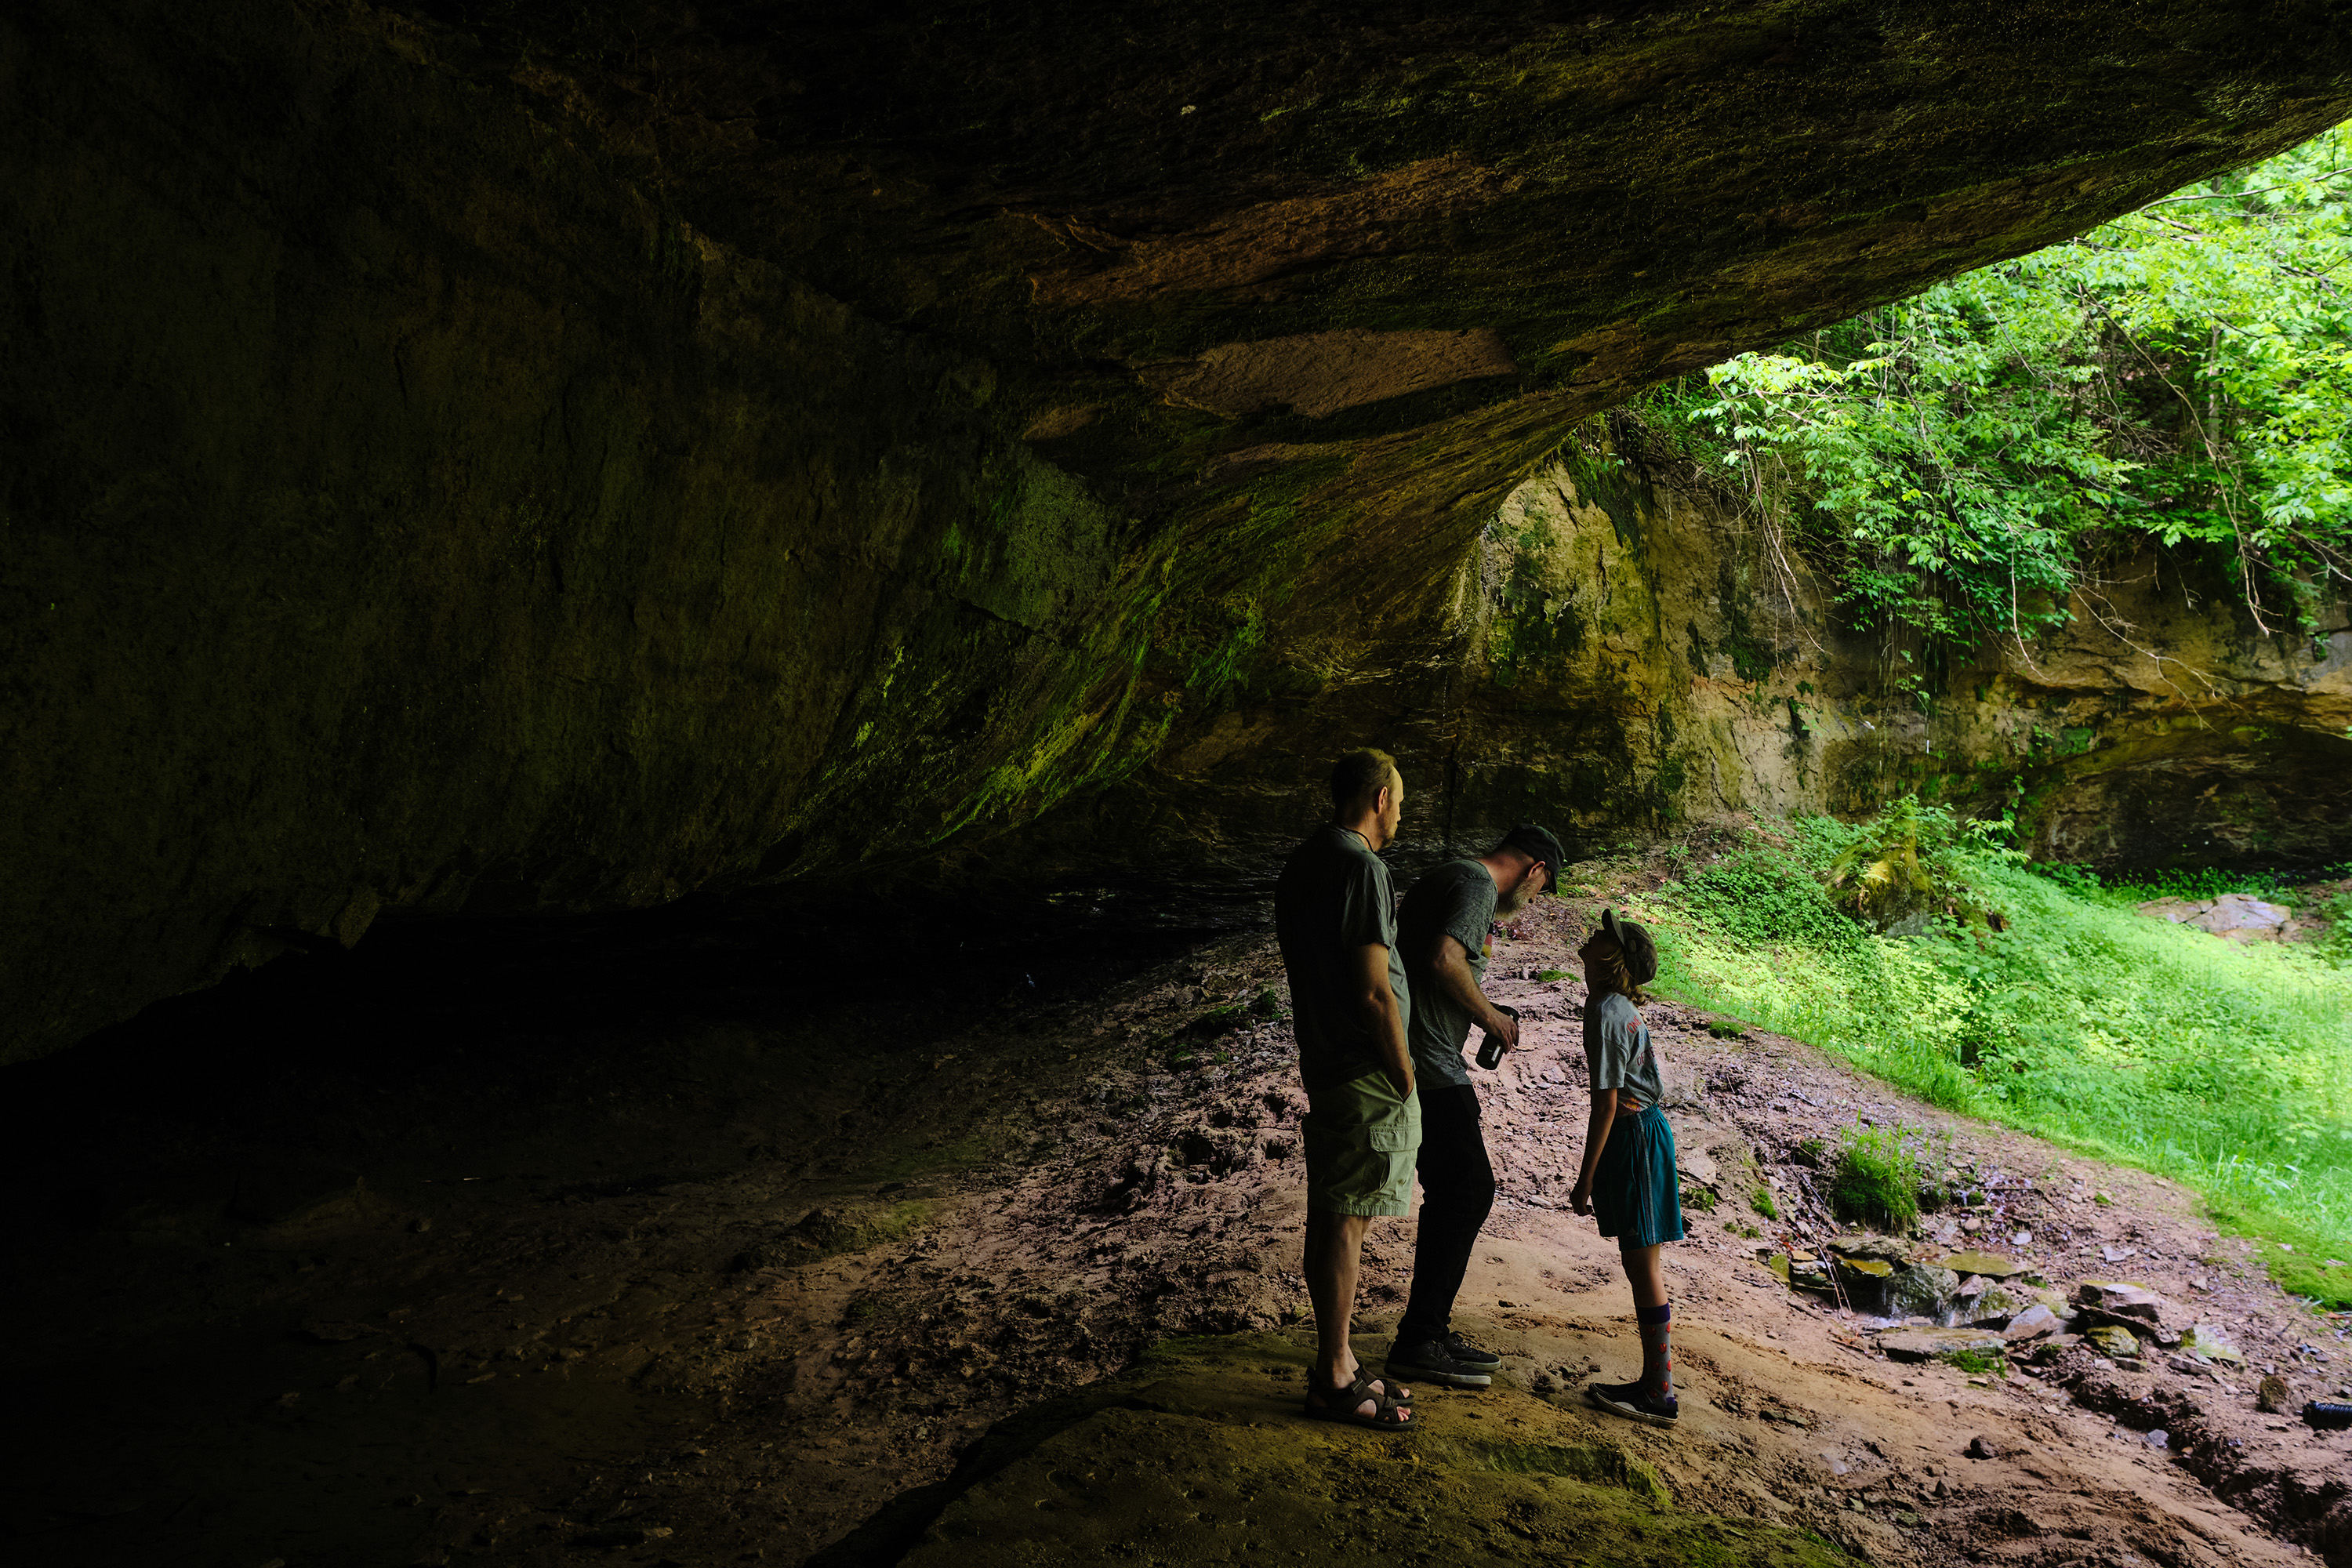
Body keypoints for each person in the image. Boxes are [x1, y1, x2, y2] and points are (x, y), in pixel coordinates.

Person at [1385, 822, 1566, 1390]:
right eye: (1541, 888)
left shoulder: (1453, 876)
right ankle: (1420, 1339)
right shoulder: (1476, 885)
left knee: (1456, 1188)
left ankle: (1428, 1331)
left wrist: (1483, 1004)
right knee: (1467, 1190)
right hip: (1430, 1063)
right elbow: (1443, 960)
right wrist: (1490, 1017)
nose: (1533, 899)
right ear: (1534, 869)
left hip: (1418, 1054)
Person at [1273, 749, 1419, 1430]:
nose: (1402, 814)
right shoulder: (1362, 867)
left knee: (1338, 1207)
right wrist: (1403, 1068)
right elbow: (1370, 989)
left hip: (1325, 1059)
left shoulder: (1305, 861)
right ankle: (1333, 1374)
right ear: (1380, 797)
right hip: (1364, 1069)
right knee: (1345, 1215)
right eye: (1400, 800)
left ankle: (1340, 1361)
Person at [1567, 908, 1682, 1428]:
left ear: (1610, 957)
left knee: (1643, 1269)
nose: (1590, 938)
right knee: (1642, 1267)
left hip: (1634, 1138)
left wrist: (1585, 1177)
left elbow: (1606, 1104)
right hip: (1639, 1134)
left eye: (1600, 937)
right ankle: (1654, 1386)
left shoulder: (1606, 1012)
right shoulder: (1607, 1006)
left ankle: (1659, 1393)